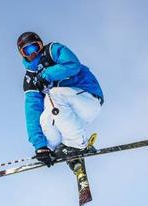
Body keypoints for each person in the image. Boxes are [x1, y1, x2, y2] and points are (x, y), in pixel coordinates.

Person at [17, 32, 104, 169]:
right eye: (27, 50)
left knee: (53, 94)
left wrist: (46, 75)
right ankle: (61, 150)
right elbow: (32, 113)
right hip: (66, 115)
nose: (33, 53)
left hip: (87, 99)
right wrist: (40, 146)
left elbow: (72, 64)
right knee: (44, 118)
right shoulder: (30, 80)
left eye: (35, 47)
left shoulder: (52, 51)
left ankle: (78, 144)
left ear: (41, 44)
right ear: (22, 54)